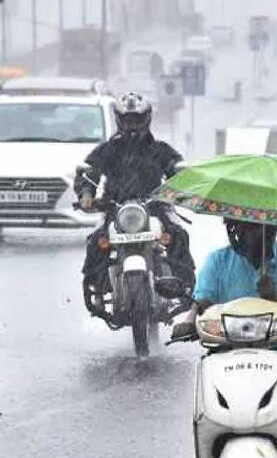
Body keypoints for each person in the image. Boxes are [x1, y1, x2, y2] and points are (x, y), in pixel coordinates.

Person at [74, 92, 195, 313]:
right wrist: (86, 194)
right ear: (119, 119)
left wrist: (180, 188)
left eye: (137, 120)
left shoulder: (159, 150)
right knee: (96, 242)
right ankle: (98, 289)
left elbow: (177, 170)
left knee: (177, 235)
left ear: (146, 119)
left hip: (156, 208)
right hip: (115, 209)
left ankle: (184, 287)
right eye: (127, 120)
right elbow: (89, 173)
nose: (132, 125)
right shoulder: (108, 150)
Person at [171, 219, 277, 355]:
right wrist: (188, 323)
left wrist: (274, 297)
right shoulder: (217, 260)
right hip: (226, 349)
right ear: (233, 229)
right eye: (247, 227)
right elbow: (202, 303)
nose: (258, 235)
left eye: (263, 227)